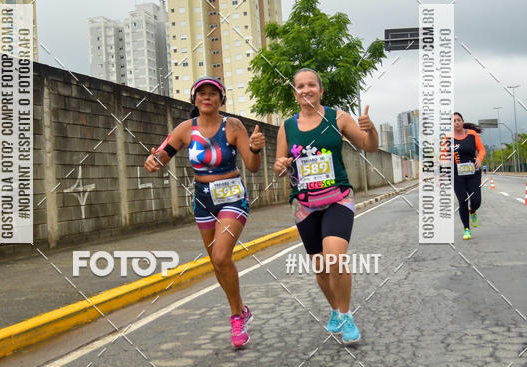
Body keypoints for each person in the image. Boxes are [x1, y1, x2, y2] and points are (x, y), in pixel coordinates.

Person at [144, 77, 265, 348]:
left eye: (213, 93)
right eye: (202, 93)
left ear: (221, 99)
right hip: (203, 200)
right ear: (194, 99)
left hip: (232, 198)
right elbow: (161, 156)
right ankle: (242, 309)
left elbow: (253, 166)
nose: (207, 97)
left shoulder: (233, 126)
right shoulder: (185, 129)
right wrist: (152, 161)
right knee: (216, 263)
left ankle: (236, 317)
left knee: (221, 256)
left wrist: (255, 148)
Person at [273, 68, 378, 345]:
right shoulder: (287, 127)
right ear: (295, 93)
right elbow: (278, 168)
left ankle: (346, 315)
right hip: (304, 205)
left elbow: (368, 146)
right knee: (321, 269)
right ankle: (334, 309)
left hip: (337, 198)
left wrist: (371, 129)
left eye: (311, 85)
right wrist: (281, 165)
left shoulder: (338, 118)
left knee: (335, 258)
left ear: (321, 90)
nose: (305, 90)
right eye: (300, 86)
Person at [444, 112, 485, 240]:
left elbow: (482, 149)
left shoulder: (472, 134)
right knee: (463, 201)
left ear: (462, 121)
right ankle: (466, 229)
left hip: (473, 172)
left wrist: (479, 159)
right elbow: (443, 155)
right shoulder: (447, 139)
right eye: (453, 121)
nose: (456, 122)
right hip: (456, 174)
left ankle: (473, 211)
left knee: (476, 201)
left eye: (458, 120)